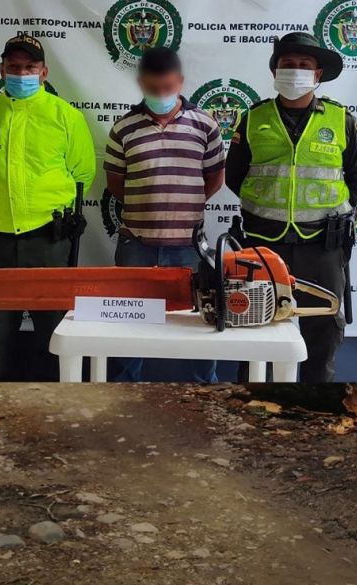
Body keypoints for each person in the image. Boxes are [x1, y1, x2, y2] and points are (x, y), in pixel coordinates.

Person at [225, 32, 357, 383]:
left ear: (318, 75)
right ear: (275, 71)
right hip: (262, 243)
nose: (295, 71)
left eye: (304, 66)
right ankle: (251, 399)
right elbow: (235, 175)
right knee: (252, 322)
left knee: (321, 328)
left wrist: (330, 212)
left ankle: (313, 401)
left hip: (323, 245)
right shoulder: (253, 118)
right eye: (288, 64)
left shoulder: (341, 120)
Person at [0, 35, 96, 381]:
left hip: (49, 241)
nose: (21, 73)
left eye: (30, 67)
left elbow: (82, 172)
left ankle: (56, 416)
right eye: (14, 67)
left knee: (54, 335)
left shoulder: (65, 116)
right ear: (1, 69)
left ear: (44, 72)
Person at [104, 47, 225, 382]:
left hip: (188, 245)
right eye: (153, 88)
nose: (161, 94)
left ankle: (206, 390)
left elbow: (214, 178)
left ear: (180, 82)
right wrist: (150, 206)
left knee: (200, 321)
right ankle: (126, 390)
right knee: (129, 324)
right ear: (141, 83)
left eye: (167, 87)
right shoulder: (123, 129)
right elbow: (116, 183)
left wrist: (183, 206)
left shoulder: (205, 126)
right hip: (137, 244)